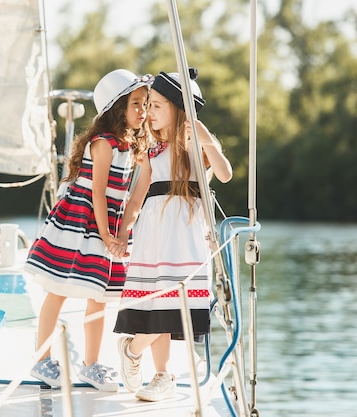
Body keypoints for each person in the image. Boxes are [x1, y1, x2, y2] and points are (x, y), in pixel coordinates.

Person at [24, 69, 150, 392]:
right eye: (136, 103)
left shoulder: (131, 144)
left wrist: (120, 232)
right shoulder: (104, 144)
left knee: (100, 296)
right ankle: (42, 358)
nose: (142, 110)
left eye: (145, 103)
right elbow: (97, 193)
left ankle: (91, 364)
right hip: (80, 224)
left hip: (106, 224)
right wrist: (107, 235)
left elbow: (130, 192)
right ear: (116, 108)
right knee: (59, 288)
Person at [113, 68, 233, 401]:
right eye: (148, 105)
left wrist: (205, 136)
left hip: (187, 235)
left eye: (156, 106)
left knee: (176, 302)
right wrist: (123, 233)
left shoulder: (198, 143)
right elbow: (137, 196)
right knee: (158, 304)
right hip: (154, 233)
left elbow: (224, 174)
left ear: (178, 109)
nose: (148, 113)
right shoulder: (151, 151)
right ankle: (163, 374)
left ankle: (133, 349)